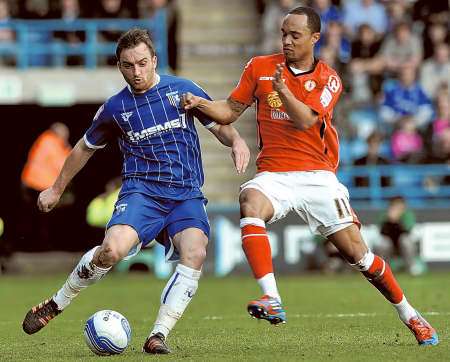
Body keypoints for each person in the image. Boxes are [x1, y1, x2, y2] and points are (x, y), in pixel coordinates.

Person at [181, 6, 438, 345]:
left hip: (318, 176)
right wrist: (199, 102)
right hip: (275, 173)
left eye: (294, 35)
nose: (286, 40)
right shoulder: (258, 67)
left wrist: (284, 90)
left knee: (360, 257)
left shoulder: (329, 78)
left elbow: (305, 121)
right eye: (283, 34)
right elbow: (229, 110)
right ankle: (271, 297)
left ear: (315, 38)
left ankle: (411, 315)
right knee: (249, 200)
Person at [21, 28, 251, 354]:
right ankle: (56, 304)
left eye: (143, 63)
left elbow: (220, 124)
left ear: (154, 60)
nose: (137, 72)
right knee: (110, 252)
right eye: (129, 65)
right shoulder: (115, 108)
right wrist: (56, 189)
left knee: (195, 252)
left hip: (185, 193)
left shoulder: (182, 90)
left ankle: (158, 335)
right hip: (141, 192)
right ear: (119, 66)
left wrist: (238, 141)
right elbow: (84, 148)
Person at [375, 196, 422, 276]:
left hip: (402, 242)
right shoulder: (385, 215)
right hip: (389, 242)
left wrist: (397, 221)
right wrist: (389, 221)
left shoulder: (407, 214)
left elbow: (407, 230)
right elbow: (382, 232)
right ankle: (383, 270)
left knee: (405, 241)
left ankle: (412, 268)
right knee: (383, 243)